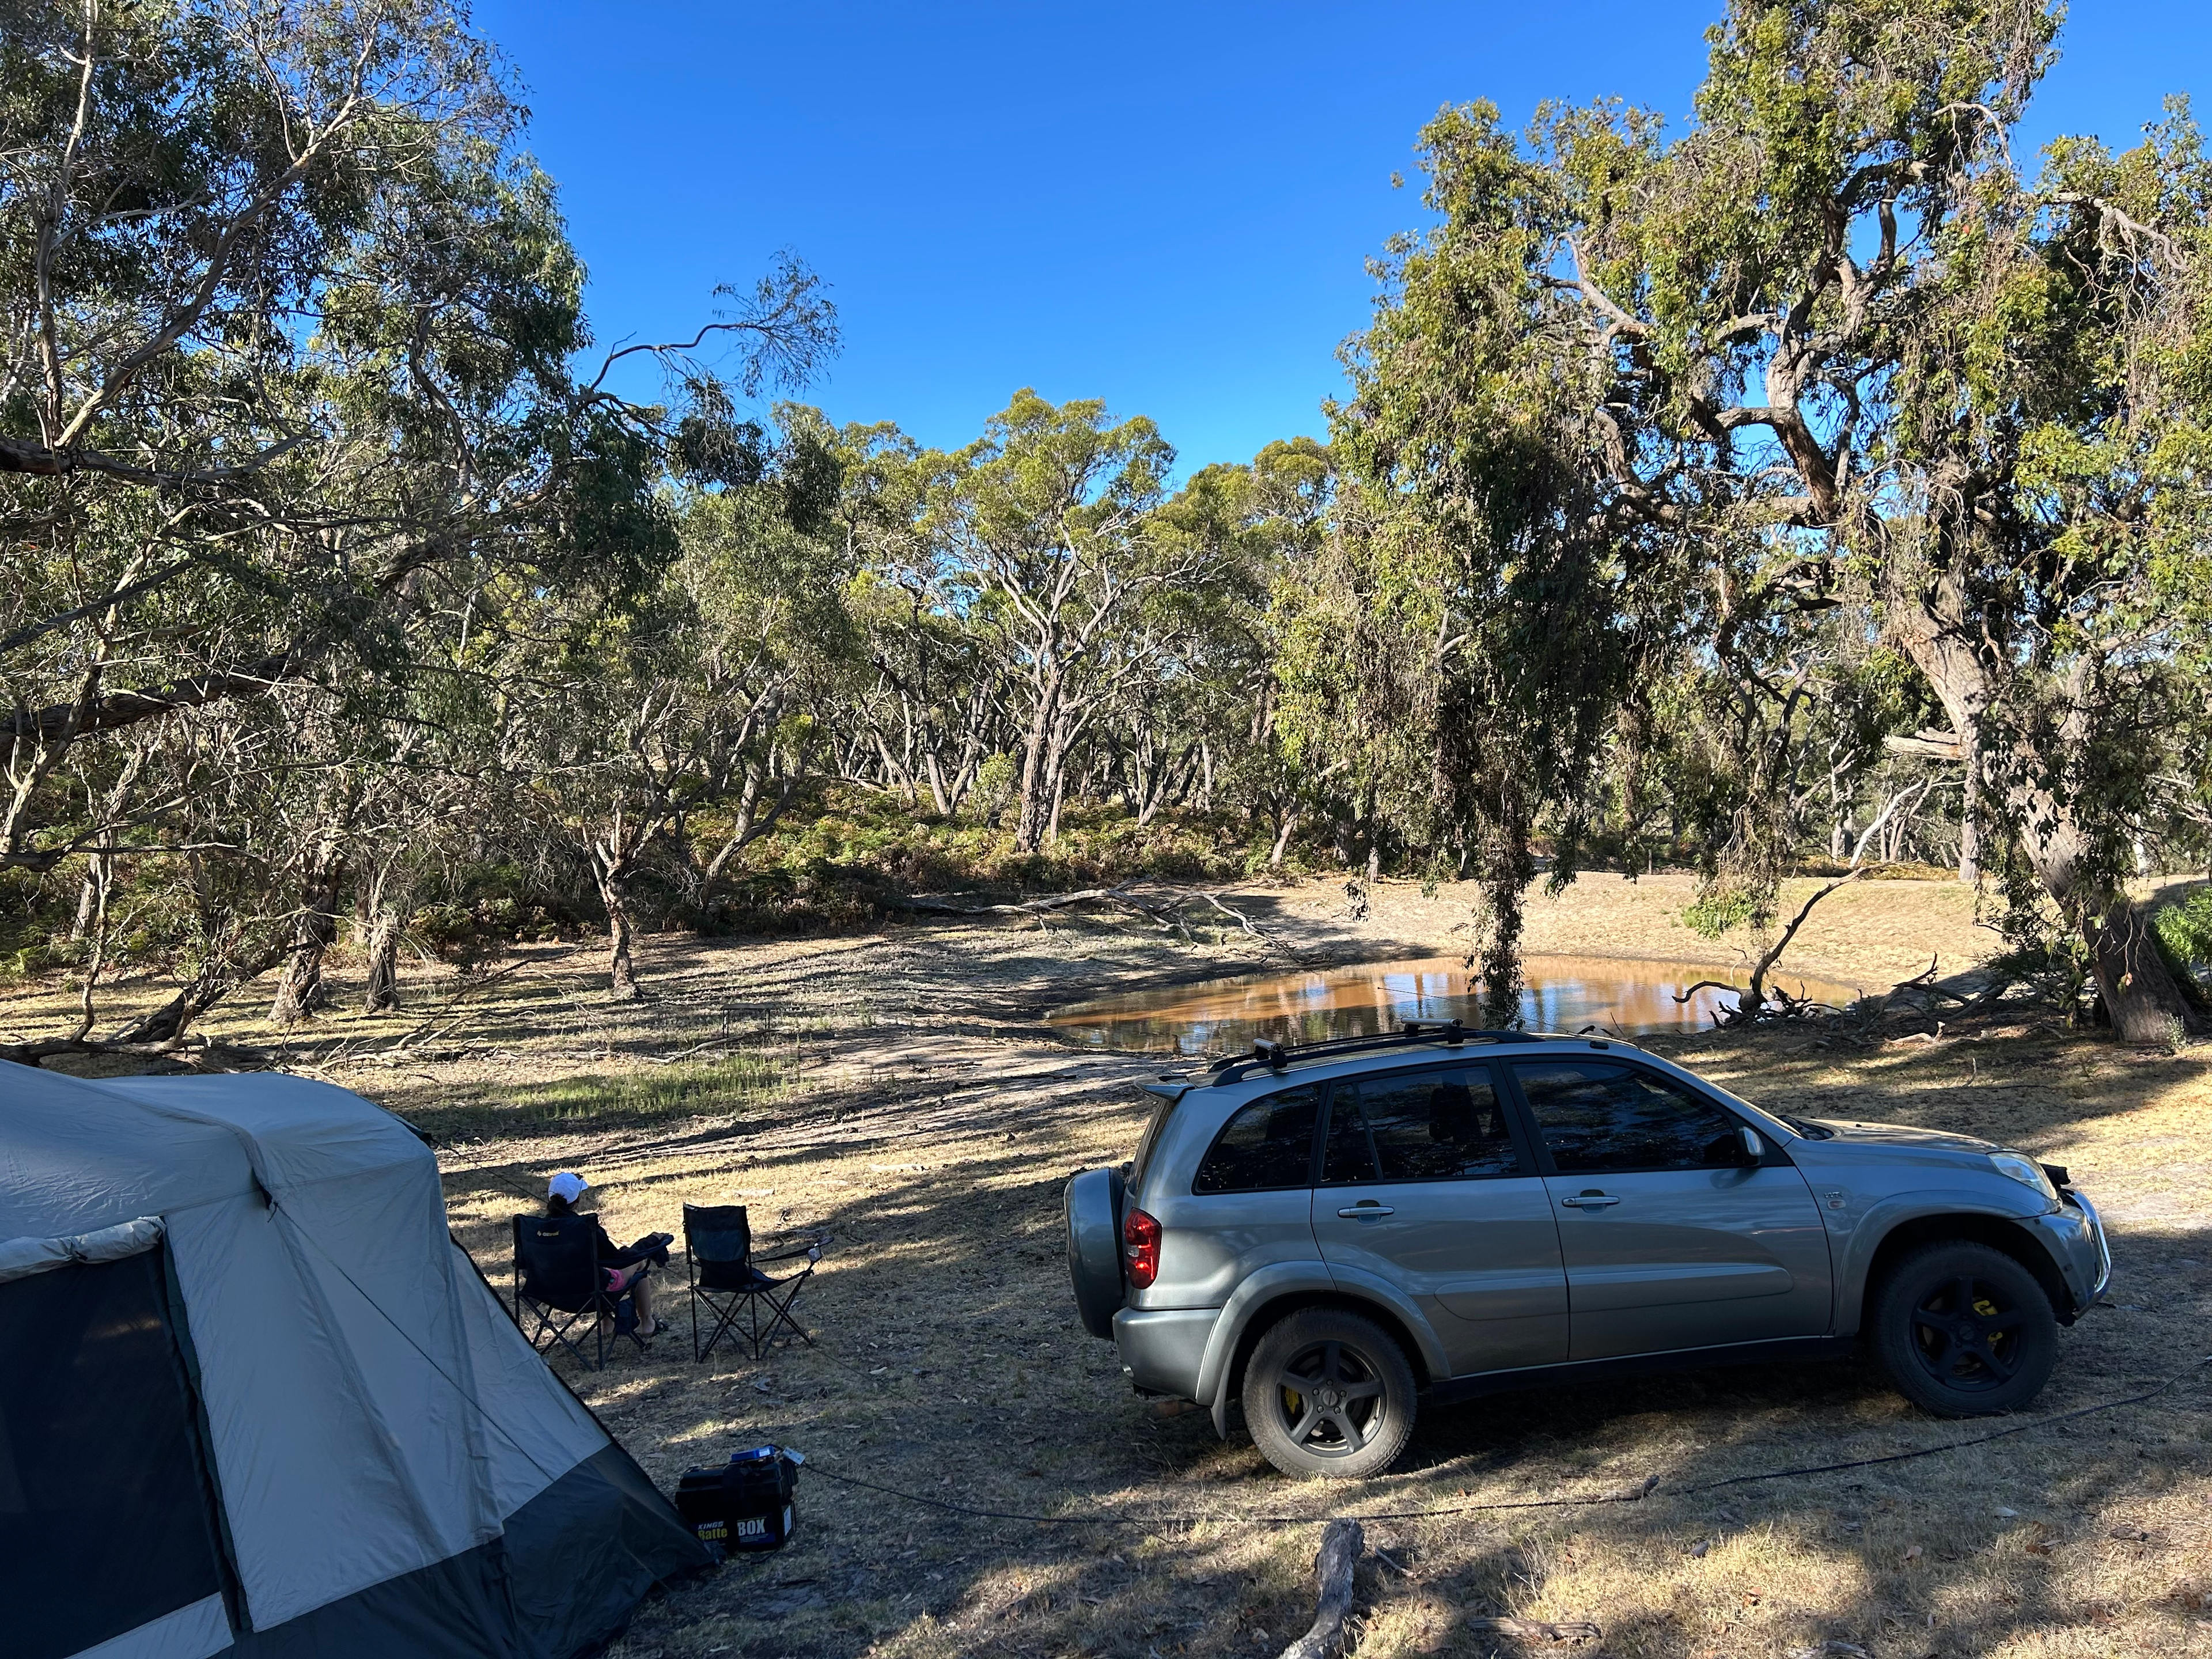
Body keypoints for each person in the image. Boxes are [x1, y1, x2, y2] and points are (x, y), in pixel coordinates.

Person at [544, 1171, 669, 1340]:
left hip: (549, 1294)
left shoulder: (533, 1230)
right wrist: (647, 1244)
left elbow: (524, 1269)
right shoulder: (586, 1228)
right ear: (577, 1200)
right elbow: (617, 1260)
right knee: (637, 1261)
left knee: (597, 1269)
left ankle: (608, 1326)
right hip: (589, 1294)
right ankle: (648, 1324)